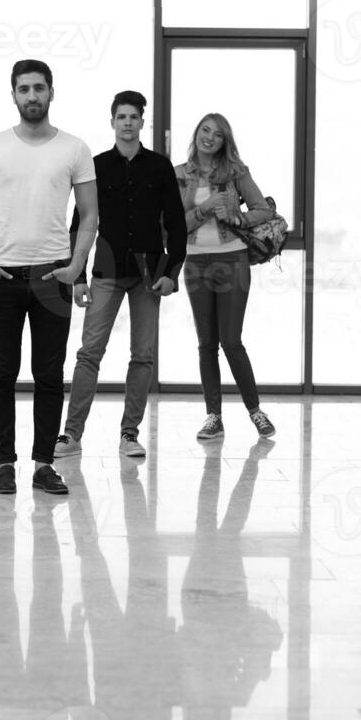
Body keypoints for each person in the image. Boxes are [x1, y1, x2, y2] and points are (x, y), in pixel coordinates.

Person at [0, 59, 98, 496]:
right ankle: (5, 463)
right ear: (14, 95)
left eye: (39, 88)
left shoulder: (75, 149)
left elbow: (91, 213)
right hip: (1, 276)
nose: (32, 96)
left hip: (52, 276)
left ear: (51, 92)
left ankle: (43, 464)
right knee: (0, 374)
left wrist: (77, 266)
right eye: (24, 89)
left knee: (48, 374)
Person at [55, 90, 187, 459]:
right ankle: (71, 435)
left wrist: (172, 272)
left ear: (142, 122)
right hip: (106, 272)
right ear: (112, 122)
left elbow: (176, 224)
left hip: (149, 274)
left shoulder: (160, 167)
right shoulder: (96, 166)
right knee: (89, 353)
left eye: (134, 117)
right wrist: (77, 277)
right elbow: (80, 223)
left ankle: (130, 434)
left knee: (142, 356)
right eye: (121, 117)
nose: (128, 122)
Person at [174, 113, 276, 440]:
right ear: (197, 134)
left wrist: (238, 217)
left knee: (231, 340)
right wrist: (204, 210)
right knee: (206, 344)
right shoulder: (179, 175)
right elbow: (173, 228)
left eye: (217, 135)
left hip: (232, 259)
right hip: (195, 263)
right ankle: (213, 417)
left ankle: (255, 411)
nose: (210, 138)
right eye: (205, 131)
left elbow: (264, 210)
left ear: (224, 142)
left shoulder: (236, 173)